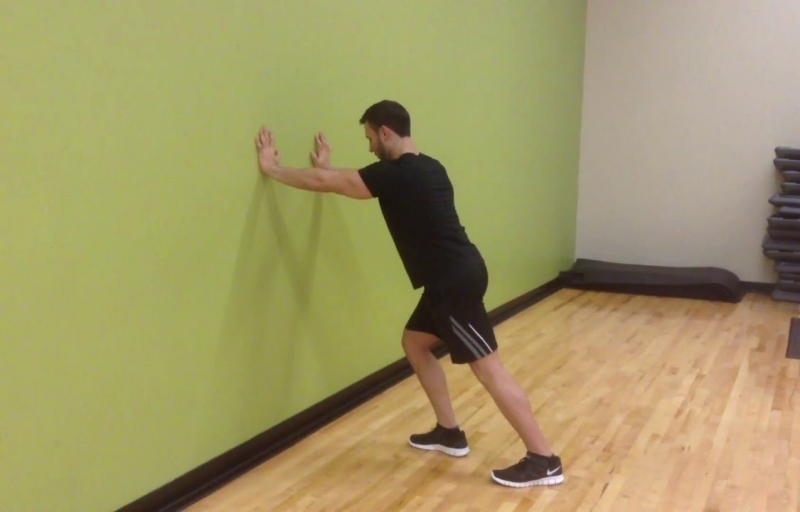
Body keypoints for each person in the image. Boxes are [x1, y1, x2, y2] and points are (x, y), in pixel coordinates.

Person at [253, 100, 564, 488]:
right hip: (454, 275)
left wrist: (272, 169)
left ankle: (543, 459)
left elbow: (328, 184)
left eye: (370, 138)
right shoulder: (431, 167)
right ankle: (449, 432)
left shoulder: (395, 175)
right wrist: (328, 170)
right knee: (415, 343)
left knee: (489, 368)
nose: (369, 147)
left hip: (451, 284)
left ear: (385, 132)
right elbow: (342, 181)